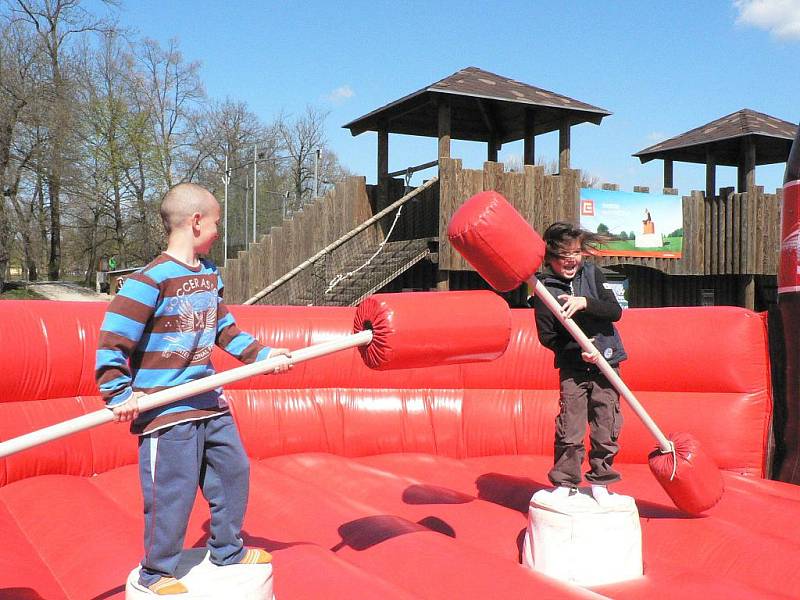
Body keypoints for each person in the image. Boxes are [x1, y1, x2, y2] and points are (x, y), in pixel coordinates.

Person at [95, 183, 291, 595]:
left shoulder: (208, 277)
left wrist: (263, 356)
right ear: (196, 221)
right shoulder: (148, 281)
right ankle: (156, 570)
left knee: (233, 471)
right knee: (173, 491)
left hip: (209, 398)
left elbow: (223, 328)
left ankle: (227, 549)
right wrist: (119, 394)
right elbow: (113, 341)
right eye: (217, 222)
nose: (219, 231)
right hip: (166, 409)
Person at [530, 222, 628, 508]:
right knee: (569, 426)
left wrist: (585, 302)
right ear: (549, 258)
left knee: (605, 423)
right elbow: (548, 337)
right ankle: (565, 481)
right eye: (563, 254)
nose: (571, 259)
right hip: (574, 367)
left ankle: (601, 480)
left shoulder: (592, 274)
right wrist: (578, 352)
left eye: (576, 252)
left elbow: (614, 312)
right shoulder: (544, 289)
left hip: (606, 361)